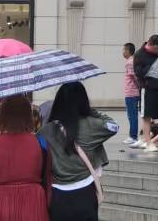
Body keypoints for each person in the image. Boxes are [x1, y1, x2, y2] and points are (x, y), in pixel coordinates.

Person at [40, 81, 118, 220]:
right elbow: (113, 126)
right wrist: (92, 112)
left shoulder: (46, 130)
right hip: (85, 192)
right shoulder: (91, 124)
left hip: (57, 194)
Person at [133, 34, 158, 152]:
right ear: (150, 44)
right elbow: (138, 73)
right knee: (147, 116)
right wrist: (153, 66)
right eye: (156, 49)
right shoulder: (140, 54)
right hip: (147, 88)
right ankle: (148, 142)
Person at [122, 42, 141, 146]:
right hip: (132, 92)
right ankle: (132, 135)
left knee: (132, 115)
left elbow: (134, 77)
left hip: (131, 92)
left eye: (124, 50)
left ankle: (133, 136)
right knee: (132, 115)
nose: (123, 52)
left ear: (129, 51)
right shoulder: (132, 61)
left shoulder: (130, 62)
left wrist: (139, 87)